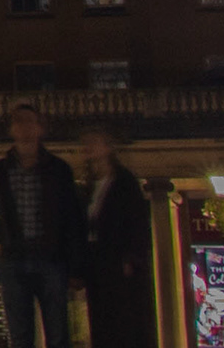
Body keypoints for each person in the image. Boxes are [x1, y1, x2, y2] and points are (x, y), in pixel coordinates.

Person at [0, 101, 87, 348]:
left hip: (51, 258)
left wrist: (75, 265)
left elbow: (72, 217)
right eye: (18, 122)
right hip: (13, 259)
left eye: (29, 121)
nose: (24, 127)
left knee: (58, 334)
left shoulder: (59, 170)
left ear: (40, 128)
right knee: (19, 336)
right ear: (12, 130)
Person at [75, 126, 154, 348]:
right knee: (101, 325)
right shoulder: (89, 185)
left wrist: (130, 258)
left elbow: (136, 223)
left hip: (119, 267)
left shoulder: (124, 182)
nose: (87, 147)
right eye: (85, 142)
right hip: (97, 265)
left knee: (124, 325)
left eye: (93, 141)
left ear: (108, 147)